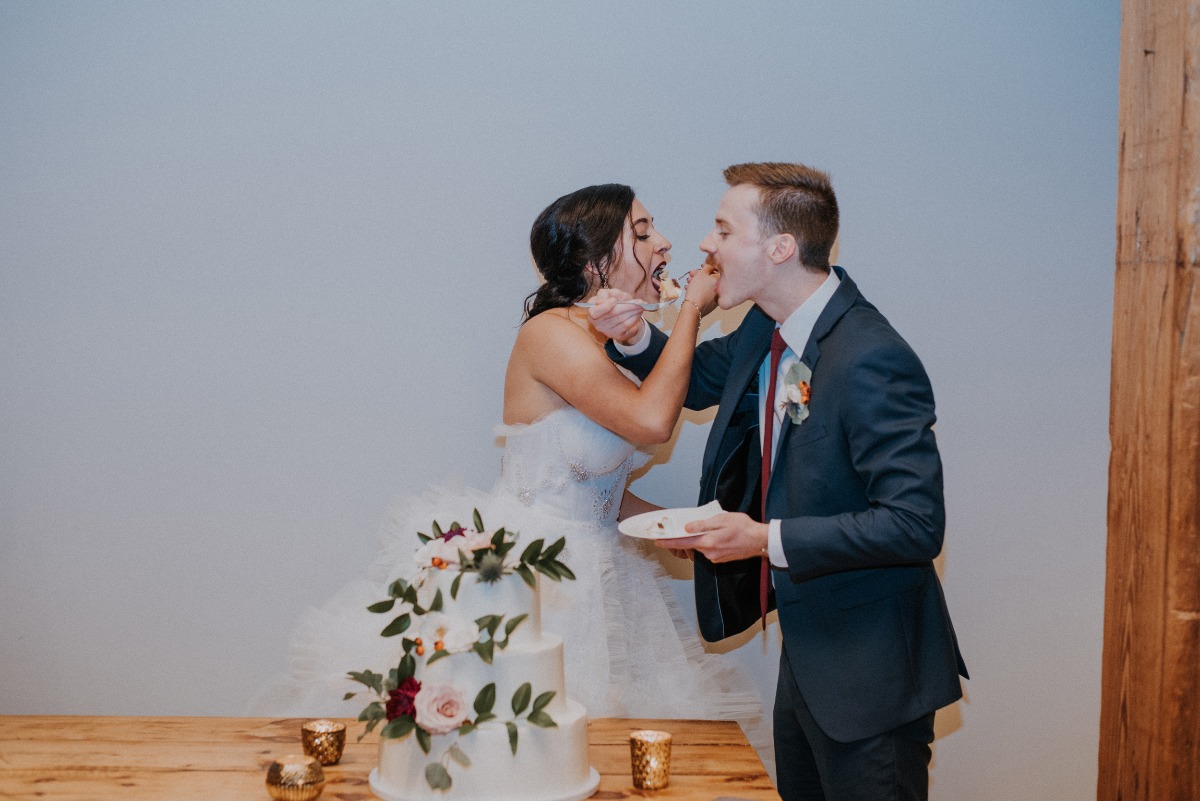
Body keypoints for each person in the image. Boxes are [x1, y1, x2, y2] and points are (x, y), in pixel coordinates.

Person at [249, 184, 763, 742]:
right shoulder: (551, 334)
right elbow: (652, 422)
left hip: (599, 571)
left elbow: (589, 488)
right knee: (512, 734)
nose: (664, 243)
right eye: (641, 233)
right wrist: (692, 308)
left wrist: (668, 523)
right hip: (529, 573)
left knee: (595, 741)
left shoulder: (609, 339)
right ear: (595, 260)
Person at [595, 163, 968, 801]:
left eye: (722, 228)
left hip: (871, 672)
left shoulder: (871, 355)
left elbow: (915, 523)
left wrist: (764, 538)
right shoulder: (769, 329)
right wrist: (632, 336)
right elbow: (701, 378)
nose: (706, 246)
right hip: (812, 657)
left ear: (780, 248)